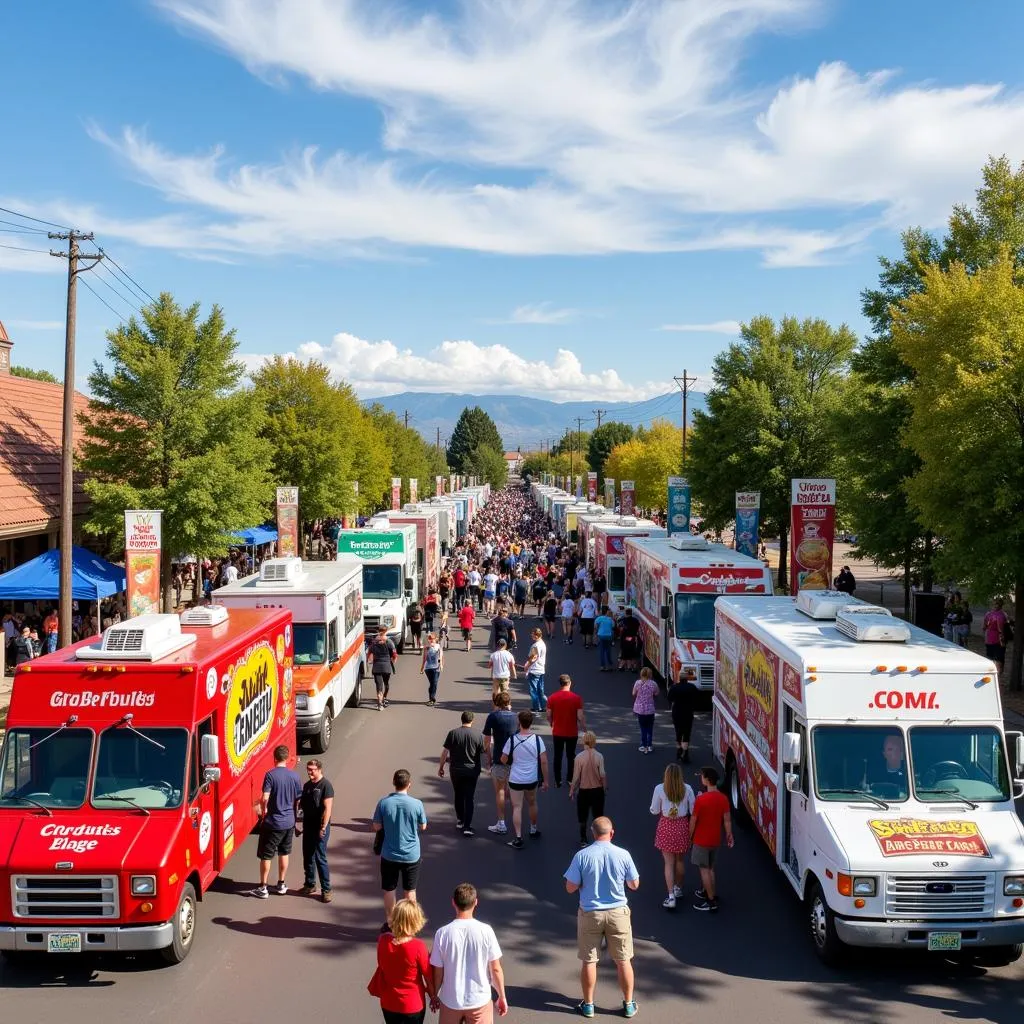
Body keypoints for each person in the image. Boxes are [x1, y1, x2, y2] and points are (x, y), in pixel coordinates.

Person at [563, 816, 640, 1019]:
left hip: (590, 913)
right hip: (618, 914)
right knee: (623, 960)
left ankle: (588, 1005)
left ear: (592, 832)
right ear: (612, 833)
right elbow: (634, 884)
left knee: (589, 961)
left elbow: (570, 887)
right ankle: (629, 1004)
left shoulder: (582, 856)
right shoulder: (624, 855)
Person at [430, 882, 508, 1022]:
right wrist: (502, 996)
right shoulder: (486, 931)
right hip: (479, 1001)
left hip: (451, 1001)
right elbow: (496, 969)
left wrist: (434, 995)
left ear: (453, 903)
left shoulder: (442, 933)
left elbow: (438, 972)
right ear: (475, 902)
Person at [373, 769, 428, 924]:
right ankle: (410, 923)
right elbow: (423, 826)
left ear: (393, 783)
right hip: (411, 855)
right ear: (409, 785)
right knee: (410, 891)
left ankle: (391, 923)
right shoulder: (417, 804)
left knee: (389, 890)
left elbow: (376, 826)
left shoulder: (384, 803)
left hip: (389, 854)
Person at [371, 898, 438, 1024]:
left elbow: (381, 964)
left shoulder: (383, 940)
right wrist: (433, 996)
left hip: (389, 1002)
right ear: (415, 920)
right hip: (413, 1004)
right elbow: (428, 975)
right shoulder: (418, 946)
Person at [249, 744, 303, 899]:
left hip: (273, 822)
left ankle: (263, 887)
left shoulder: (270, 775)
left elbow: (265, 797)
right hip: (289, 822)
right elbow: (298, 800)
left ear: (274, 758)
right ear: (286, 758)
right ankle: (281, 884)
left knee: (266, 855)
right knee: (284, 852)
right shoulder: (294, 776)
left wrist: (263, 810)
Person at [500, 710, 548, 849]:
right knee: (532, 803)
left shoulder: (512, 739)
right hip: (532, 778)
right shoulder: (538, 740)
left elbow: (503, 759)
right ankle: (533, 829)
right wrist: (546, 781)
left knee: (517, 807)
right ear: (531, 722)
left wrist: (510, 761)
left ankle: (518, 837)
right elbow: (544, 761)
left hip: (516, 779)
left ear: (519, 723)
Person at [650, 763, 696, 909]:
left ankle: (670, 897)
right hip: (682, 825)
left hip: (666, 825)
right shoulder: (687, 788)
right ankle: (678, 888)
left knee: (668, 863)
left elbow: (654, 810)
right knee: (680, 860)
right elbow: (693, 809)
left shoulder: (659, 788)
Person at [690, 766, 733, 912]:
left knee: (704, 870)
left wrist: (690, 836)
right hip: (715, 839)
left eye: (702, 776)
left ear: (707, 780)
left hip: (701, 839)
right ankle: (710, 892)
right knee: (711, 868)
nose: (700, 778)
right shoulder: (723, 798)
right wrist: (729, 834)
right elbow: (727, 820)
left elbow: (693, 821)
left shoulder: (701, 800)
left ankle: (710, 900)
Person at [439, 711, 485, 837]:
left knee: (458, 795)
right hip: (472, 770)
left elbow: (445, 752)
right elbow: (483, 751)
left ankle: (460, 820)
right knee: (469, 798)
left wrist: (441, 767)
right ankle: (467, 827)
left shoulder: (453, 733)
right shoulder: (478, 735)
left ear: (461, 720)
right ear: (472, 720)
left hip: (456, 770)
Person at [297, 759, 335, 903]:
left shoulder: (326, 785)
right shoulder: (307, 786)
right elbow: (302, 808)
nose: (310, 772)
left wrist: (323, 827)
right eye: (308, 769)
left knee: (320, 858)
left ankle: (326, 889)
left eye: (312, 769)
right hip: (308, 826)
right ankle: (310, 884)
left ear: (319, 770)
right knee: (308, 856)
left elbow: (328, 808)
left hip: (320, 828)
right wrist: (298, 824)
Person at [483, 691, 518, 836]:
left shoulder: (492, 717)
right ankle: (519, 824)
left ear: (497, 703)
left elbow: (487, 740)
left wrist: (488, 758)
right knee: (515, 792)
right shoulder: (516, 717)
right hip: (515, 759)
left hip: (499, 758)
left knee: (500, 791)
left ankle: (501, 823)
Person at [546, 674, 585, 788]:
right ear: (570, 683)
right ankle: (570, 778)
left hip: (558, 731)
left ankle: (558, 780)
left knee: (557, 756)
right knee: (571, 755)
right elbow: (580, 716)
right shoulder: (576, 698)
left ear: (560, 683)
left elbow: (548, 714)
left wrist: (551, 722)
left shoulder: (552, 697)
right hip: (572, 732)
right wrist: (584, 728)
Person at [569, 732, 606, 848]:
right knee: (598, 816)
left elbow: (575, 777)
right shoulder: (599, 756)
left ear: (583, 741)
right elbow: (602, 774)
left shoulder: (579, 757)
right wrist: (605, 787)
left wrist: (571, 790)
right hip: (597, 790)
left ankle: (583, 839)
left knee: (583, 816)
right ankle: (600, 838)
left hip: (584, 790)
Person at [666, 675, 700, 762]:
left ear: (679, 678)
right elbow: (697, 698)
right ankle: (685, 753)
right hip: (688, 713)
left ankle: (679, 750)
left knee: (678, 731)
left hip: (677, 712)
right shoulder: (692, 687)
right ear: (687, 679)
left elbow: (669, 698)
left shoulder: (674, 687)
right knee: (686, 733)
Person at [370, 626, 398, 711]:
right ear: (386, 631)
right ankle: (384, 698)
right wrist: (393, 661)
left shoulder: (374, 642)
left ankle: (380, 704)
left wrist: (370, 660)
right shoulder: (389, 642)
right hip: (386, 666)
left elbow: (369, 653)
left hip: (376, 667)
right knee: (386, 684)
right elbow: (394, 655)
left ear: (378, 631)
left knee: (379, 686)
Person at [632, 667, 659, 754]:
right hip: (650, 709)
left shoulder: (637, 683)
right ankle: (650, 745)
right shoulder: (653, 684)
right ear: (650, 674)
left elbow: (633, 693)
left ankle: (643, 745)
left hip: (640, 709)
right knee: (650, 728)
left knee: (643, 728)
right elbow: (657, 693)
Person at [520, 627, 548, 712]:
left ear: (536, 635)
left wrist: (527, 665)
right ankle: (545, 706)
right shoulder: (542, 643)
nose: (531, 636)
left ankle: (536, 707)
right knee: (540, 689)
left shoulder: (535, 645)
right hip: (541, 669)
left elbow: (533, 657)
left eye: (532, 634)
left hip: (534, 670)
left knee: (533, 690)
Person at [984, 598, 1010, 670]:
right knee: (999, 658)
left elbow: (984, 627)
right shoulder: (1004, 615)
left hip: (991, 639)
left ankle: (993, 674)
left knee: (991, 657)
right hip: (999, 639)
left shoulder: (988, 614)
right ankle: (998, 675)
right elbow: (1006, 627)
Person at [420, 632, 444, 706]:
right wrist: (422, 668)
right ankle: (431, 698)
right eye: (430, 638)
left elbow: (441, 656)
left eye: (432, 638)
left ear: (436, 639)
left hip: (436, 668)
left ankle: (432, 699)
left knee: (434, 683)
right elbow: (424, 658)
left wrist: (441, 665)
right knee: (432, 683)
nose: (431, 640)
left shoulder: (438, 646)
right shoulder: (427, 648)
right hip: (428, 668)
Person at [593, 607, 615, 672]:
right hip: (608, 636)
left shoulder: (598, 619)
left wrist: (596, 634)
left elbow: (595, 627)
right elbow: (613, 626)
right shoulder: (610, 619)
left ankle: (602, 666)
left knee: (602, 651)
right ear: (607, 612)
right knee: (608, 650)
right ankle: (609, 664)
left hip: (601, 636)